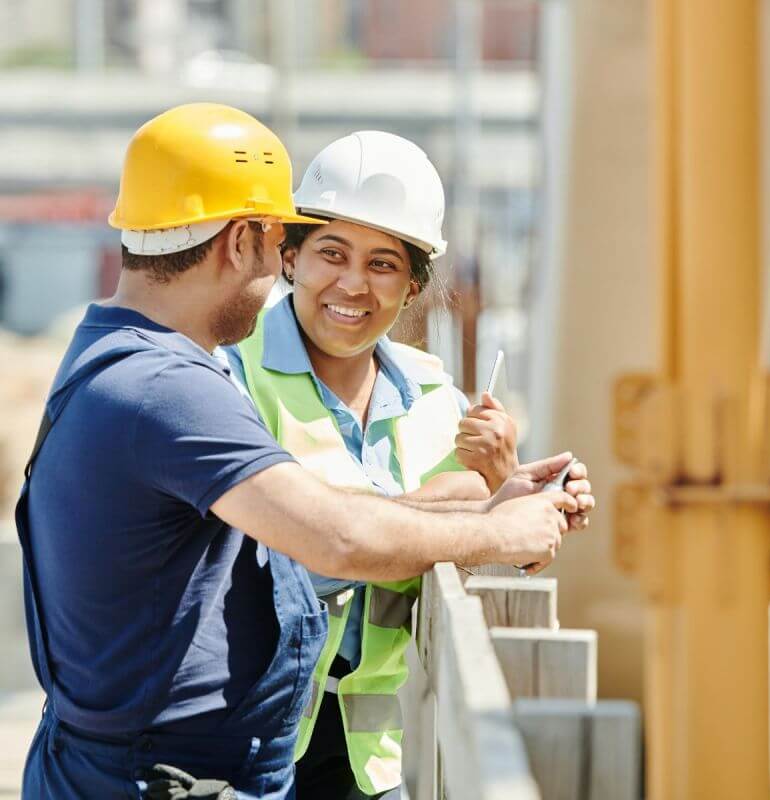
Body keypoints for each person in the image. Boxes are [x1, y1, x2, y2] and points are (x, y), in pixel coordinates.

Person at [18, 103, 589, 800]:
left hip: (175, 769)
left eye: (383, 264)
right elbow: (333, 536)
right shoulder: (172, 387)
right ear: (245, 242)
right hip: (156, 777)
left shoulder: (130, 360)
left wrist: (491, 501)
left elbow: (318, 523)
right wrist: (495, 528)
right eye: (288, 243)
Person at [225, 131, 594, 799]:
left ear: (413, 285)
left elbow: (480, 549)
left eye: (384, 263)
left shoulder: (434, 395)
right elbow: (294, 542)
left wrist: (512, 491)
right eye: (330, 253)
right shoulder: (231, 373)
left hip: (371, 760)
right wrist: (459, 504)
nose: (353, 284)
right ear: (290, 259)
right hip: (242, 744)